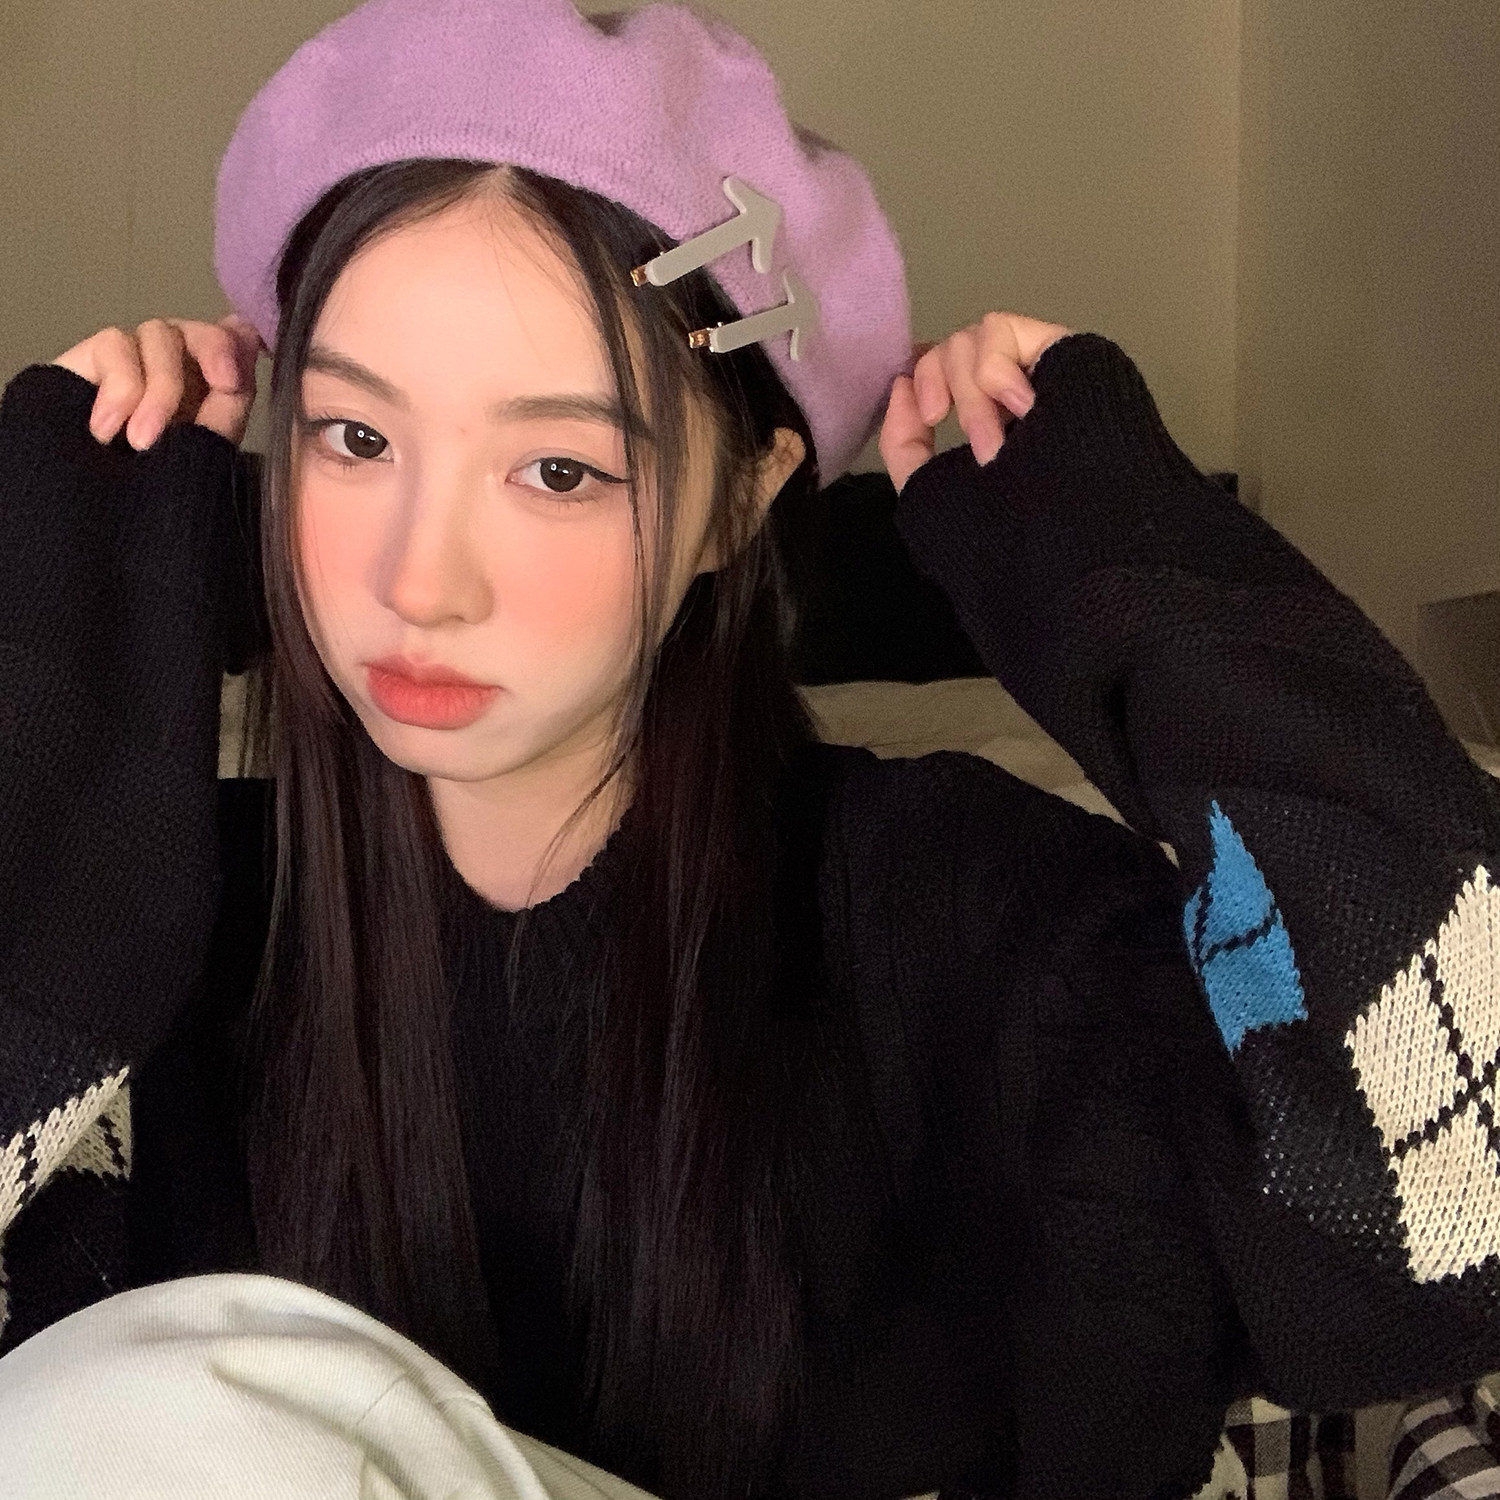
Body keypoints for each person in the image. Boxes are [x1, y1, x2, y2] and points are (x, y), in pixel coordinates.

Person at [0, 0, 1497, 1496]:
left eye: (559, 468)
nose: (418, 581)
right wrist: (63, 650)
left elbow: (1456, 1204)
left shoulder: (970, 916)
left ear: (740, 499)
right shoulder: (145, 926)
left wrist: (1133, 565)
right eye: (356, 439)